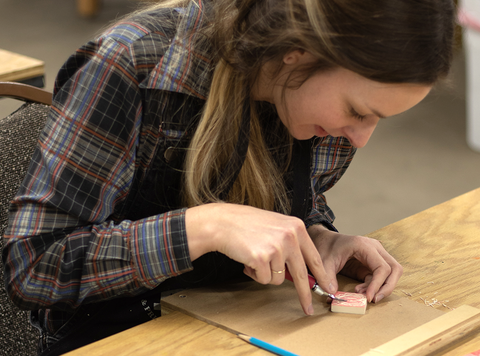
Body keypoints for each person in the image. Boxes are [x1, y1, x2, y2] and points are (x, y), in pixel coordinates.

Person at [3, 0, 455, 354]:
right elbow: (35, 267)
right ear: (296, 57)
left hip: (239, 323)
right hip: (120, 337)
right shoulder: (131, 64)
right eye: (357, 111)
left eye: (379, 119)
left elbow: (288, 197)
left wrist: (316, 235)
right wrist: (203, 227)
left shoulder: (313, 111)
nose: (360, 139)